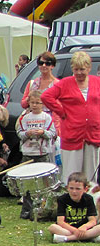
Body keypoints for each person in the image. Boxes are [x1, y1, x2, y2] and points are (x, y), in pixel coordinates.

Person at [41, 51, 100, 184]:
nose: (79, 73)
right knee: (72, 173)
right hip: (73, 133)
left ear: (89, 68)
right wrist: (61, 111)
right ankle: (71, 200)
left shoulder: (97, 82)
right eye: (76, 69)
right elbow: (46, 97)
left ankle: (89, 201)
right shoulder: (65, 83)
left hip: (93, 134)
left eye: (82, 69)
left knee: (91, 175)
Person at [48, 172, 100, 243]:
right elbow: (60, 222)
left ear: (85, 189)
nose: (74, 191)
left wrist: (84, 227)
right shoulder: (62, 199)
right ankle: (88, 237)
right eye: (71, 188)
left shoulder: (89, 199)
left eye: (78, 189)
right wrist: (75, 230)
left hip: (84, 229)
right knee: (52, 227)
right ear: (67, 188)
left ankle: (67, 238)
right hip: (68, 229)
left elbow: (92, 221)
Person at [21, 52, 60, 139]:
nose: (44, 65)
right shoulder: (33, 83)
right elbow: (23, 104)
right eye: (41, 63)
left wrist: (56, 131)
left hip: (50, 125)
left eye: (48, 63)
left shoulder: (58, 85)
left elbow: (59, 109)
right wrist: (29, 98)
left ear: (52, 66)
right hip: (33, 124)